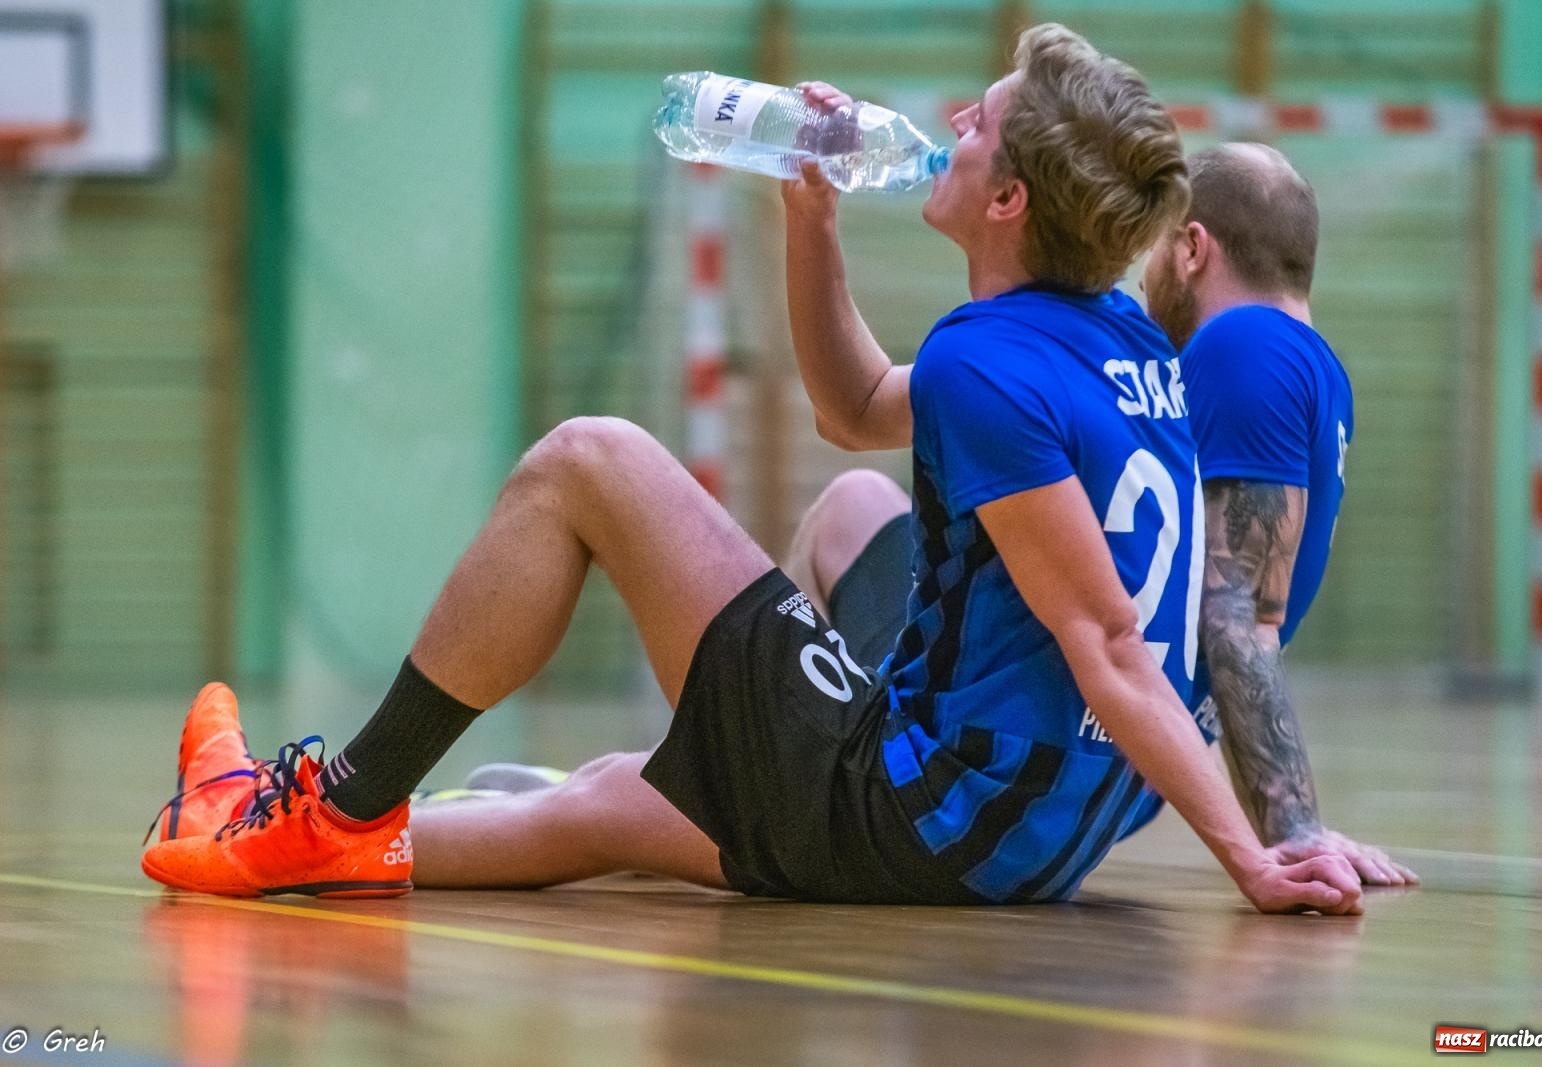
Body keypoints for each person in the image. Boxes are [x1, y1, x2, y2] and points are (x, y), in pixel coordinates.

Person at [141, 25, 1362, 913]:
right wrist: (809, 219)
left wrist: (1252, 858)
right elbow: (850, 411)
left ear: (1008, 199)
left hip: (929, 823)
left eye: (978, 122)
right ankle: (701, 772)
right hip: (1047, 819)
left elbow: (1107, 643)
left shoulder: (984, 364)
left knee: (589, 459)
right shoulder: (1118, 335)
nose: (951, 125)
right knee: (854, 504)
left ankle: (335, 805)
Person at [1140, 143, 1415, 885]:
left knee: (857, 506)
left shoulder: (1244, 344)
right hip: (1138, 744)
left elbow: (1235, 613)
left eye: (1156, 244)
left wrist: (1293, 828)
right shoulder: (1316, 367)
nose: (1144, 272)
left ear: (1193, 247)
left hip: (1072, 734)